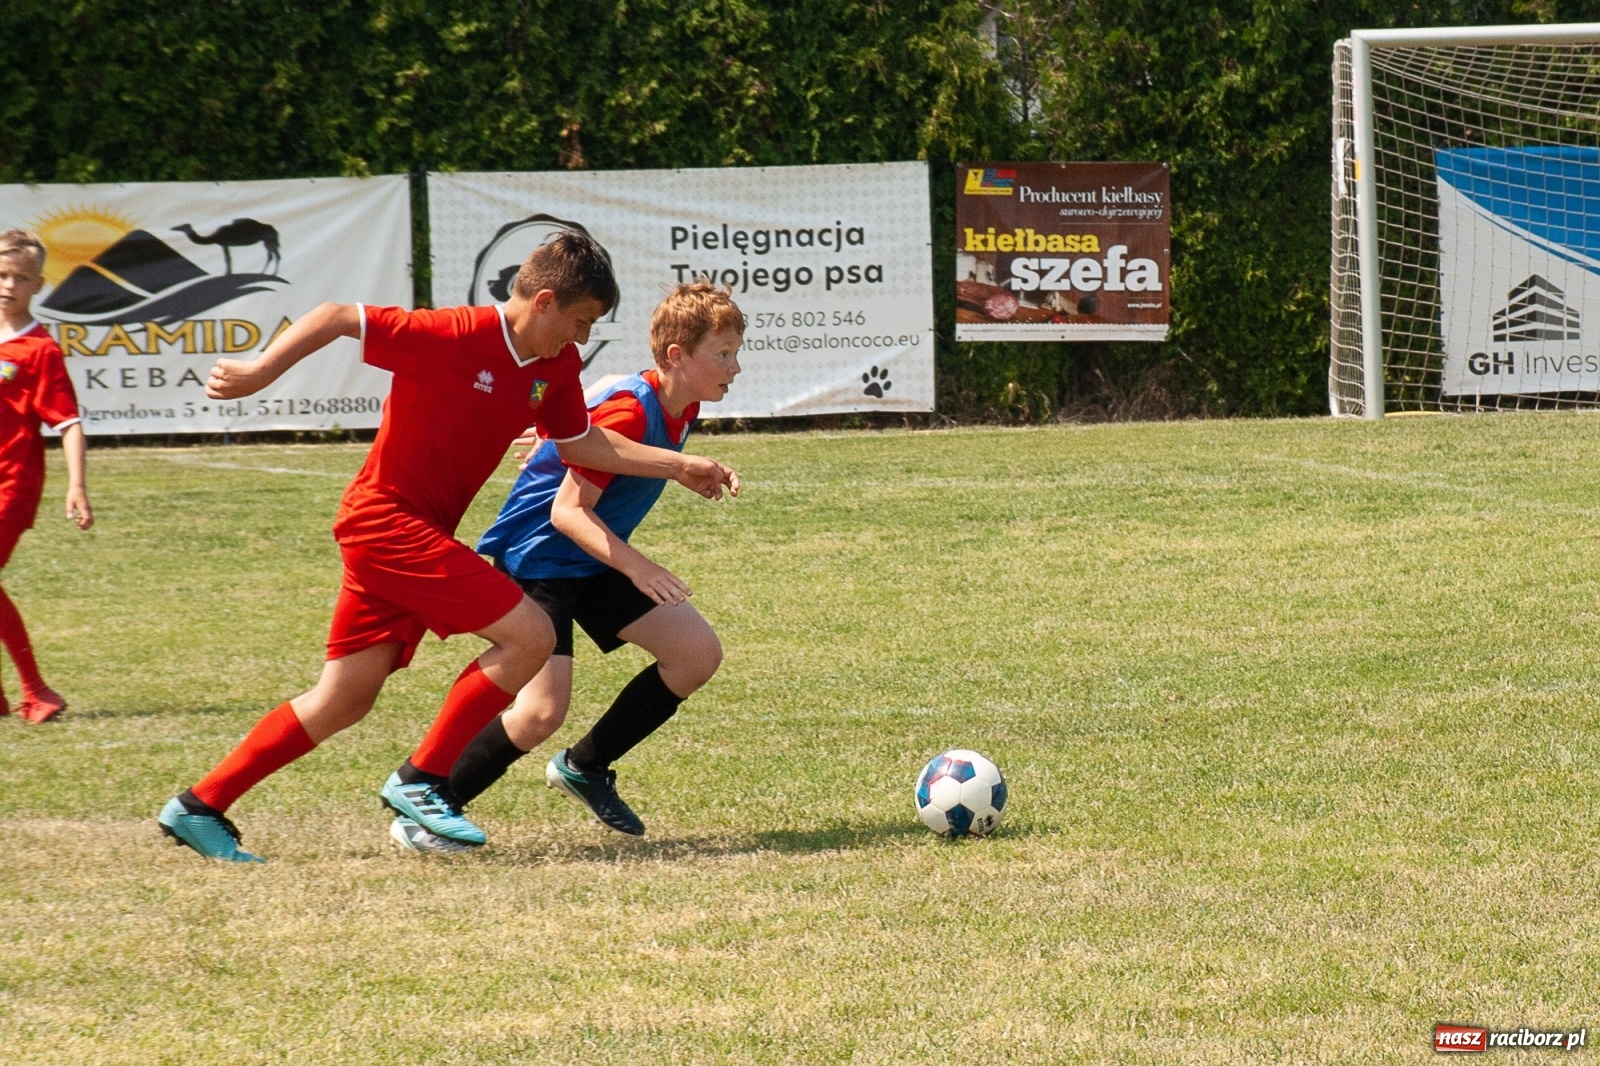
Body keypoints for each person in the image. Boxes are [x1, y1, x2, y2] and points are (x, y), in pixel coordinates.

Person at [157, 232, 738, 863]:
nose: (581, 339)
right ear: (543, 301)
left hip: (421, 532)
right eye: (578, 322)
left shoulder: (555, 368)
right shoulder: (452, 334)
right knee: (531, 636)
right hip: (383, 521)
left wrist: (675, 466)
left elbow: (583, 445)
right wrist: (261, 369)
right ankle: (422, 782)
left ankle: (199, 805)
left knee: (344, 698)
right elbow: (335, 318)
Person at [390, 281, 743, 853]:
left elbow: (589, 407)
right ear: (677, 356)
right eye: (723, 353)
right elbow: (567, 512)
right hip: (540, 558)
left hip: (588, 559)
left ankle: (586, 766)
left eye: (735, 352)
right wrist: (638, 567)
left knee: (695, 654)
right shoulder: (635, 409)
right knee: (538, 714)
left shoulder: (682, 403)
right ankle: (429, 804)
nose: (735, 365)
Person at [0, 230, 94, 724]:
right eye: (1, 274)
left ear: (37, 284)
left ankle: (37, 691)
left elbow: (68, 423)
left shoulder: (40, 350)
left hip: (11, 483)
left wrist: (76, 485)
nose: (8, 285)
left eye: (20, 278)